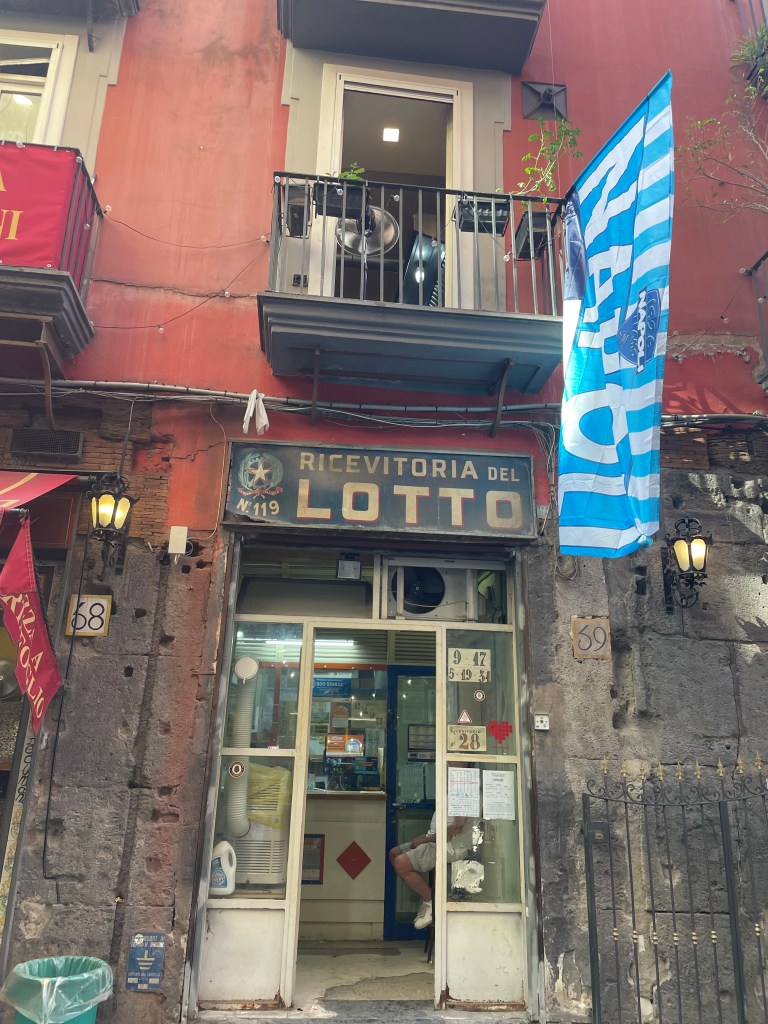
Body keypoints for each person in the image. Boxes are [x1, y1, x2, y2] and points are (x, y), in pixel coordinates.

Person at [388, 812, 474, 930]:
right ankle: (425, 894)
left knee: (401, 864)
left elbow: (456, 828)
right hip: (435, 839)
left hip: (448, 846)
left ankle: (430, 900)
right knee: (394, 853)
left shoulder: (459, 800)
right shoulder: (446, 799)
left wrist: (426, 840)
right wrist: (419, 840)